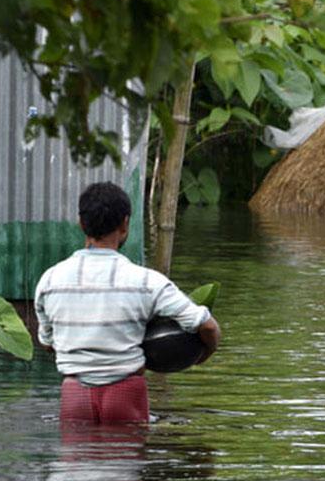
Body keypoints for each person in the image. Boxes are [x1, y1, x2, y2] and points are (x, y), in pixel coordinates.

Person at [35, 181, 220, 424]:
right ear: (125, 224)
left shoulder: (50, 280)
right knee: (126, 458)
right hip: (125, 393)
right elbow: (207, 326)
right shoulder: (147, 282)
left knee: (75, 461)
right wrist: (201, 354)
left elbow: (48, 344)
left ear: (81, 223)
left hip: (75, 396)